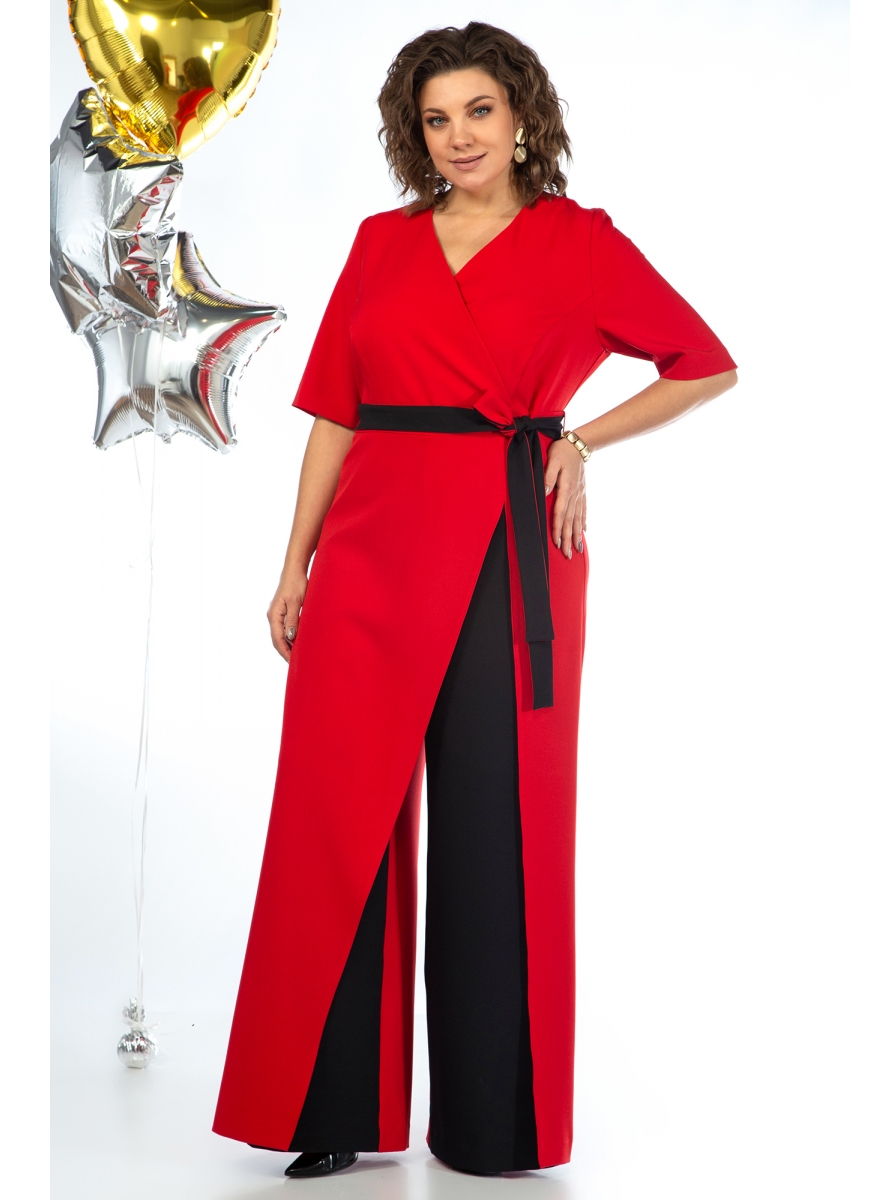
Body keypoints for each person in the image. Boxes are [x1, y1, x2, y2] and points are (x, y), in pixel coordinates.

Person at [212, 21, 737, 1180]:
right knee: (334, 817)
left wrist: (578, 441)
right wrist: (295, 563)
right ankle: (330, 1111)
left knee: (499, 826)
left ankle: (494, 1125)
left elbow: (705, 364)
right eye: (436, 119)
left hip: (510, 543)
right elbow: (337, 413)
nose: (459, 137)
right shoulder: (380, 243)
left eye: (479, 112)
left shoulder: (581, 244)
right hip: (368, 552)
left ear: (522, 116)